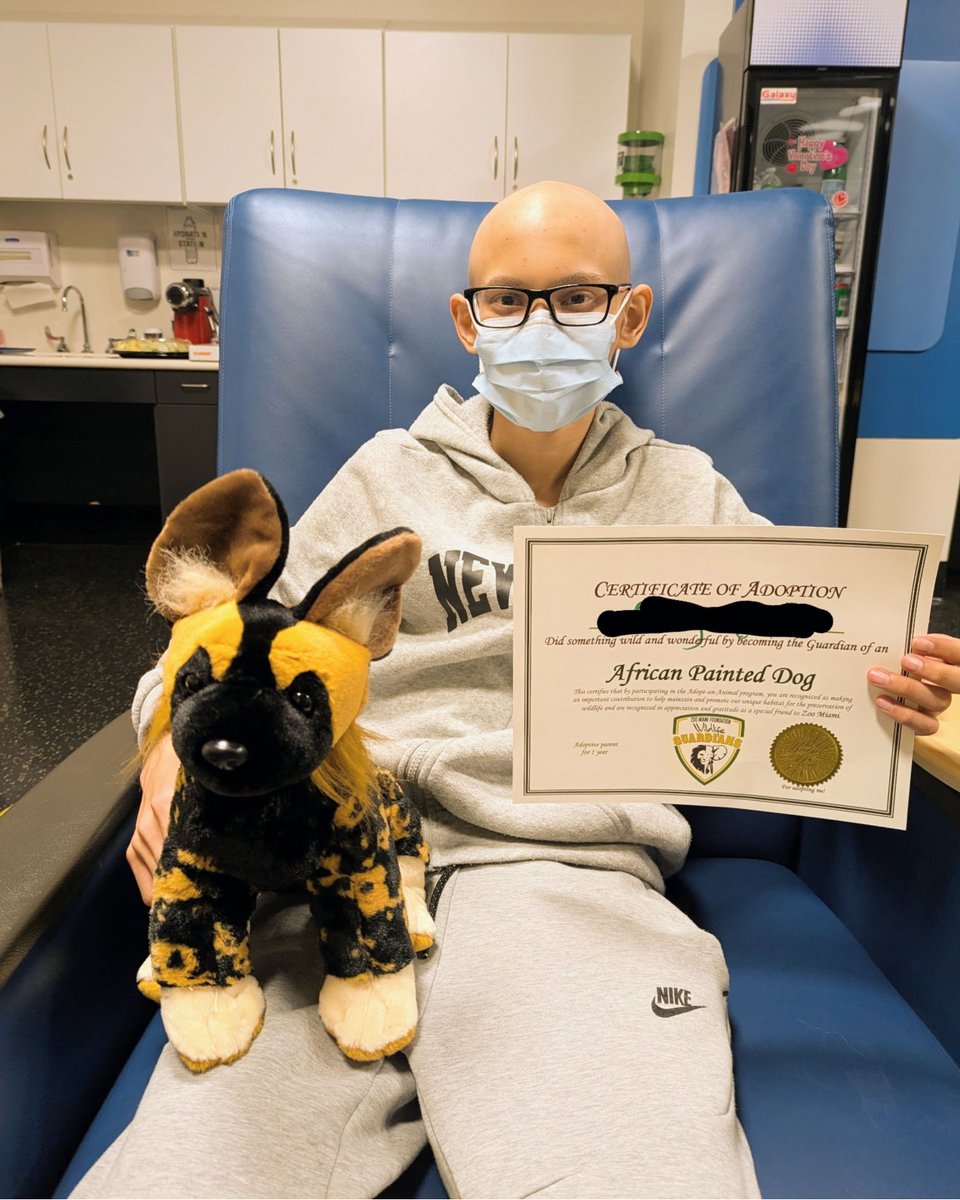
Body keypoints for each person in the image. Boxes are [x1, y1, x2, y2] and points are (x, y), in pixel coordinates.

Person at [75, 182, 958, 1200]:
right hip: (334, 859)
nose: (541, 324)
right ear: (466, 319)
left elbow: (815, 653)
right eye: (508, 301)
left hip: (561, 868)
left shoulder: (686, 495)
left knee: (613, 1166)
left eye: (578, 298)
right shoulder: (383, 476)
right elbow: (223, 647)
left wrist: (897, 679)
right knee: (199, 1169)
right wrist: (164, 745)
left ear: (630, 315)